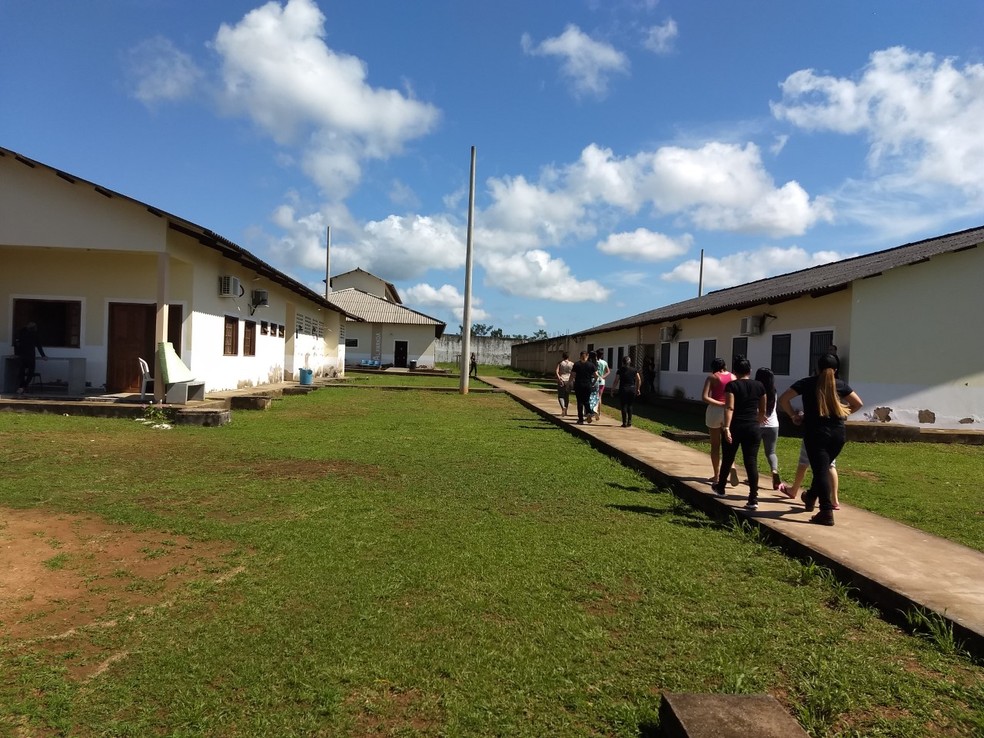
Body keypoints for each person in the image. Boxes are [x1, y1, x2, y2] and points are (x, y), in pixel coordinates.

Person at [779, 353, 863, 526]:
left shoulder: (806, 383)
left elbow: (784, 399)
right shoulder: (840, 385)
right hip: (838, 435)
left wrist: (794, 415)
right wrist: (843, 412)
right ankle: (810, 497)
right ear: (836, 370)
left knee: (820, 471)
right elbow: (858, 404)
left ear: (817, 367)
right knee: (823, 468)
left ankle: (826, 511)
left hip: (816, 434)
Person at [711, 356, 766, 510]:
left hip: (736, 425)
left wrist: (726, 427)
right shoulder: (760, 386)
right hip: (753, 427)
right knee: (751, 461)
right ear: (750, 371)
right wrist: (758, 422)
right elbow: (762, 409)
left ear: (735, 371)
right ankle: (753, 498)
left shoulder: (732, 386)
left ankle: (721, 488)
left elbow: (730, 407)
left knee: (728, 457)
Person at [702, 358, 738, 485]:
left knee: (715, 444)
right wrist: (728, 404)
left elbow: (705, 397)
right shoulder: (733, 377)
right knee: (728, 443)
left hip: (715, 411)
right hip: (730, 411)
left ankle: (716, 475)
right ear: (725, 366)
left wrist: (719, 403)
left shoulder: (712, 377)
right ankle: (732, 466)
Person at [785, 441, 839, 509]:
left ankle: (794, 490)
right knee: (830, 465)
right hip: (832, 436)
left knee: (804, 461)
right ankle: (834, 499)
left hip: (815, 434)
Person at [755, 367, 783, 491]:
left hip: (757, 425)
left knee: (752, 452)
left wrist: (759, 416)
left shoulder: (756, 390)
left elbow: (754, 407)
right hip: (773, 425)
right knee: (771, 452)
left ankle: (753, 477)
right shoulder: (774, 391)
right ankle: (774, 470)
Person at [13, 321, 46, 394]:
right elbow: (39, 346)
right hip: (30, 356)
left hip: (22, 356)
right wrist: (43, 356)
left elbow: (17, 344)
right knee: (30, 372)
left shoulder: (22, 333)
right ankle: (24, 386)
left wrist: (16, 353)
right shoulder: (35, 335)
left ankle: (21, 387)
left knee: (21, 372)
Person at [569, 350, 598, 425]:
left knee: (579, 402)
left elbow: (572, 375)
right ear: (587, 356)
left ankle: (580, 419)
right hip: (588, 385)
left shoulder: (576, 364)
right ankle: (589, 412)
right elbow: (596, 376)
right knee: (586, 400)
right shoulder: (591, 365)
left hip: (578, 385)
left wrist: (570, 383)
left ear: (580, 356)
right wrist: (593, 383)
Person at [612, 355, 641, 427]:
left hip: (623, 389)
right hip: (632, 389)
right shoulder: (634, 370)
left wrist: (613, 389)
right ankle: (630, 421)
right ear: (630, 362)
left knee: (623, 406)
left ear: (622, 362)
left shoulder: (620, 370)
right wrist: (638, 388)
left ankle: (624, 422)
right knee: (630, 406)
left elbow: (616, 380)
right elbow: (639, 379)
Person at [593, 349, 610, 420]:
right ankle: (599, 412)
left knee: (594, 396)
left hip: (594, 381)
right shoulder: (604, 362)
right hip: (602, 381)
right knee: (599, 396)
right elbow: (608, 371)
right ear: (602, 355)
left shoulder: (594, 362)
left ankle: (594, 410)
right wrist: (603, 377)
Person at [555, 352, 574, 416]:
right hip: (569, 380)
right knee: (567, 396)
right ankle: (566, 411)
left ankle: (563, 407)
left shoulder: (560, 363)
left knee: (560, 396)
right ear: (568, 356)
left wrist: (559, 378)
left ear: (563, 356)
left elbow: (557, 371)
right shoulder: (572, 364)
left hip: (562, 379)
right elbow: (573, 373)